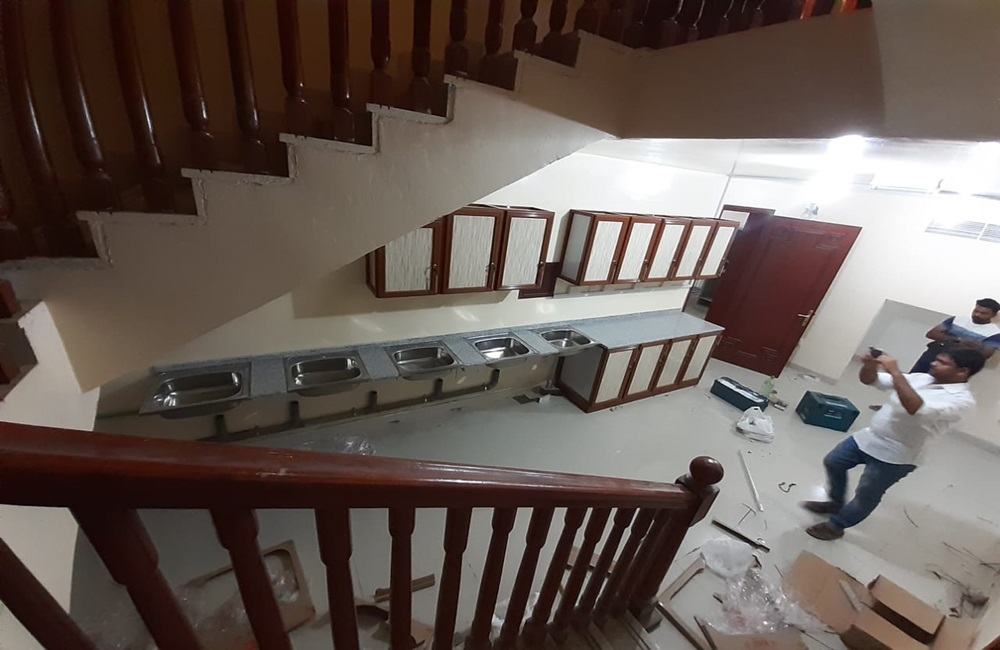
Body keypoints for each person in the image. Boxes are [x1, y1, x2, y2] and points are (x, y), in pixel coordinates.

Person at [801, 347, 983, 540]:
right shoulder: (922, 378)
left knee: (866, 494)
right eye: (936, 359)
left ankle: (836, 526)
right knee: (834, 462)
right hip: (869, 437)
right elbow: (870, 380)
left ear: (962, 371)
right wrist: (870, 366)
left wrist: (895, 372)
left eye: (943, 363)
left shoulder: (961, 401)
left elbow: (916, 409)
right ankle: (835, 503)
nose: (933, 363)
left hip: (896, 455)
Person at [911, 298, 1000, 373]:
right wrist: (959, 341)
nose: (977, 314)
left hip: (956, 365)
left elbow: (985, 354)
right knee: (912, 380)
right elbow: (931, 334)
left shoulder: (994, 332)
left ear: (993, 315)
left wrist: (948, 339)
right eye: (976, 311)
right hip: (933, 355)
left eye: (983, 313)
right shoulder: (958, 319)